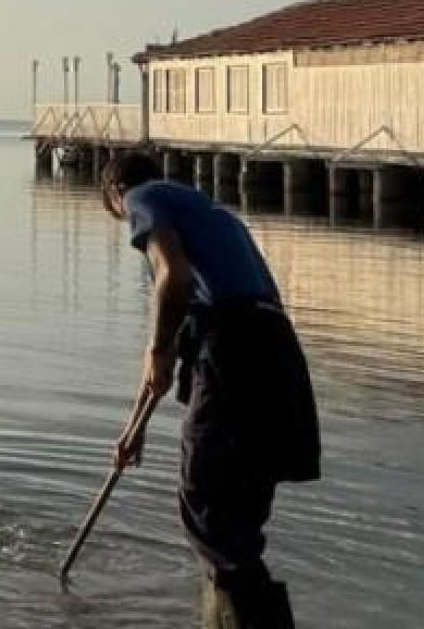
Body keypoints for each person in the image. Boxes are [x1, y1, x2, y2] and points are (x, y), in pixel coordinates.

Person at [101, 149, 320, 629]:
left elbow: (170, 277)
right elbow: (172, 351)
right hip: (278, 353)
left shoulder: (142, 197)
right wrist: (133, 429)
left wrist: (157, 347)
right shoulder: (209, 213)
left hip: (234, 349)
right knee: (238, 517)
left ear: (117, 194)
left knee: (206, 504)